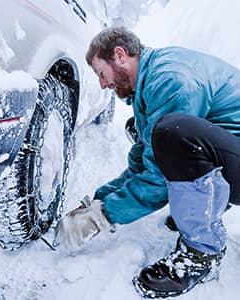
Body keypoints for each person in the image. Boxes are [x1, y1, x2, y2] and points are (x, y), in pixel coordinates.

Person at [54, 27, 240, 298]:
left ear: (119, 55)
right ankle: (201, 208)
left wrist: (102, 217)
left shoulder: (170, 80)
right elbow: (144, 161)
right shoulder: (151, 81)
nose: (103, 84)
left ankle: (202, 253)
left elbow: (159, 177)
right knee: (153, 132)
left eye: (101, 74)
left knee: (172, 134)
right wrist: (98, 200)